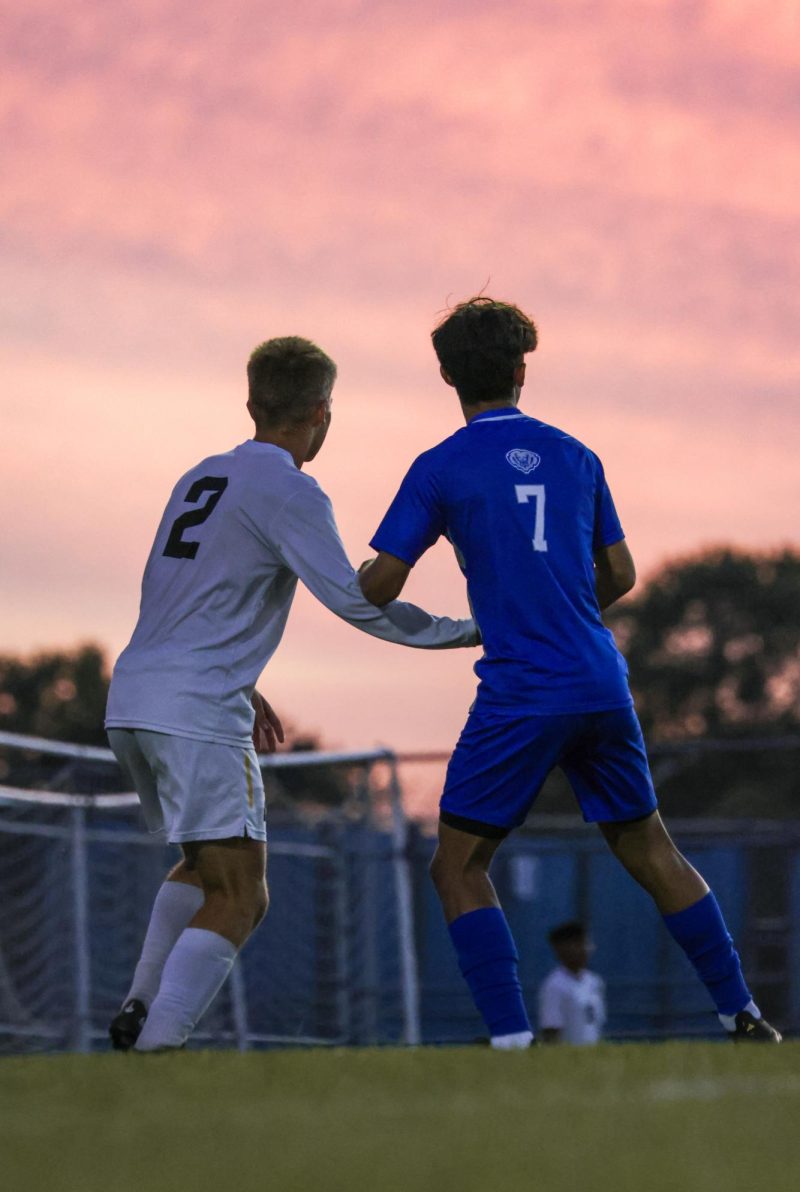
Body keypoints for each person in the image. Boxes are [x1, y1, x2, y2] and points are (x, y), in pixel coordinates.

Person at [359, 296, 781, 1046]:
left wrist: (334, 576)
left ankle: (513, 1041)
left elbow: (381, 584)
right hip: (600, 680)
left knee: (457, 867)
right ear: (523, 370)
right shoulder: (578, 455)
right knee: (654, 850)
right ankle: (742, 1011)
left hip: (523, 688)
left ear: (448, 377)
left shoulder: (439, 467)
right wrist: (559, 603)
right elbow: (619, 573)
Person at [105, 335, 478, 1052]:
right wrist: (469, 631)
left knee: (201, 864)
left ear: (251, 404)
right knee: (243, 892)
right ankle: (157, 1048)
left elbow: (186, 595)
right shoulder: (292, 489)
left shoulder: (199, 476)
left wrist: (245, 679)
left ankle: (138, 1004)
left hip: (135, 697)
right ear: (321, 412)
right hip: (195, 707)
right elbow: (356, 600)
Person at [538, 922, 605, 1045]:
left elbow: (595, 1026)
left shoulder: (594, 981)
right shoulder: (554, 985)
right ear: (566, 948)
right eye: (583, 944)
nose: (589, 949)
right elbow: (551, 1032)